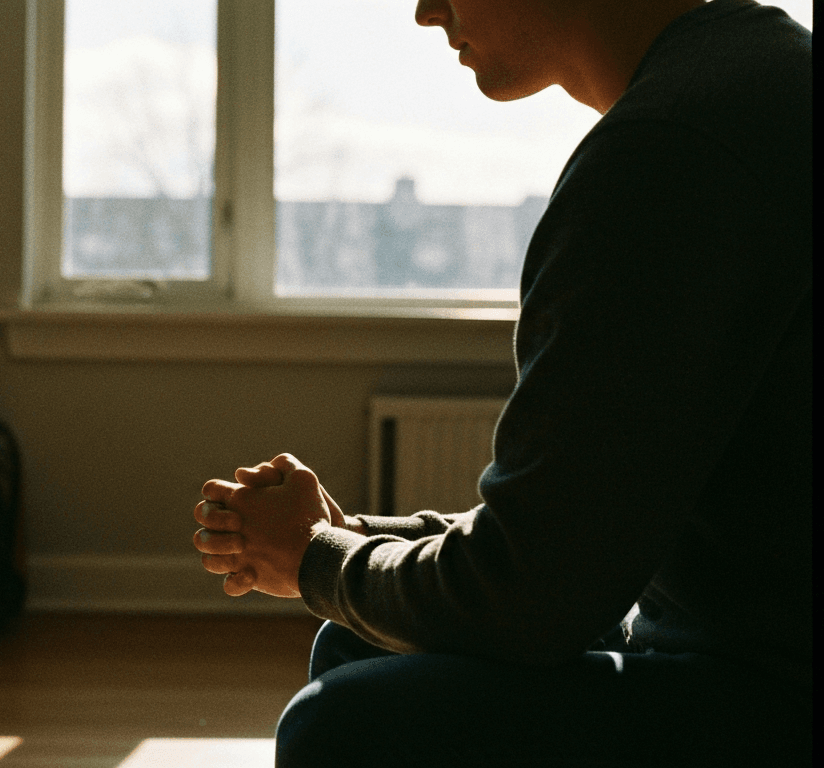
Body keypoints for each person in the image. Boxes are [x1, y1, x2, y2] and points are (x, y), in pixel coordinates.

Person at [191, 1, 811, 765]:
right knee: (359, 649)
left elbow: (532, 599)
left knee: (339, 725)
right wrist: (354, 539)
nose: (426, 12)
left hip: (772, 696)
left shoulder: (666, 155)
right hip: (746, 643)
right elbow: (580, 531)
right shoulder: (752, 78)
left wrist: (317, 557)